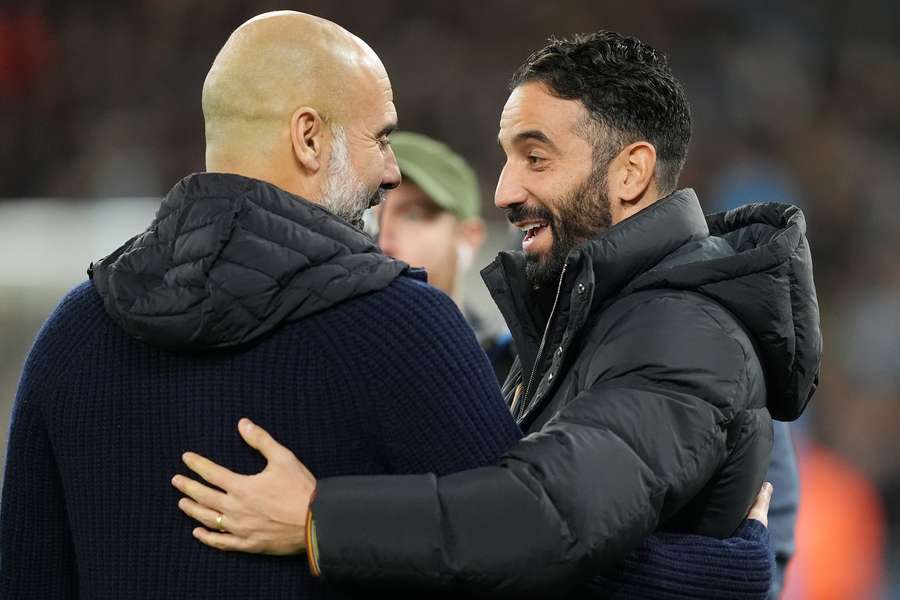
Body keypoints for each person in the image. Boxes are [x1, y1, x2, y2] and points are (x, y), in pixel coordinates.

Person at [0, 13, 772, 600]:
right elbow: (528, 561)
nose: (394, 173)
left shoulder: (71, 335)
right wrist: (729, 566)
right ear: (309, 138)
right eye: (381, 139)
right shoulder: (401, 330)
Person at [382, 130, 801, 597]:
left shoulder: (686, 347)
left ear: (468, 237)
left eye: (415, 214)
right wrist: (710, 574)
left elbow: (516, 532)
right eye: (369, 216)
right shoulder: (348, 367)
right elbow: (493, 534)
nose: (386, 238)